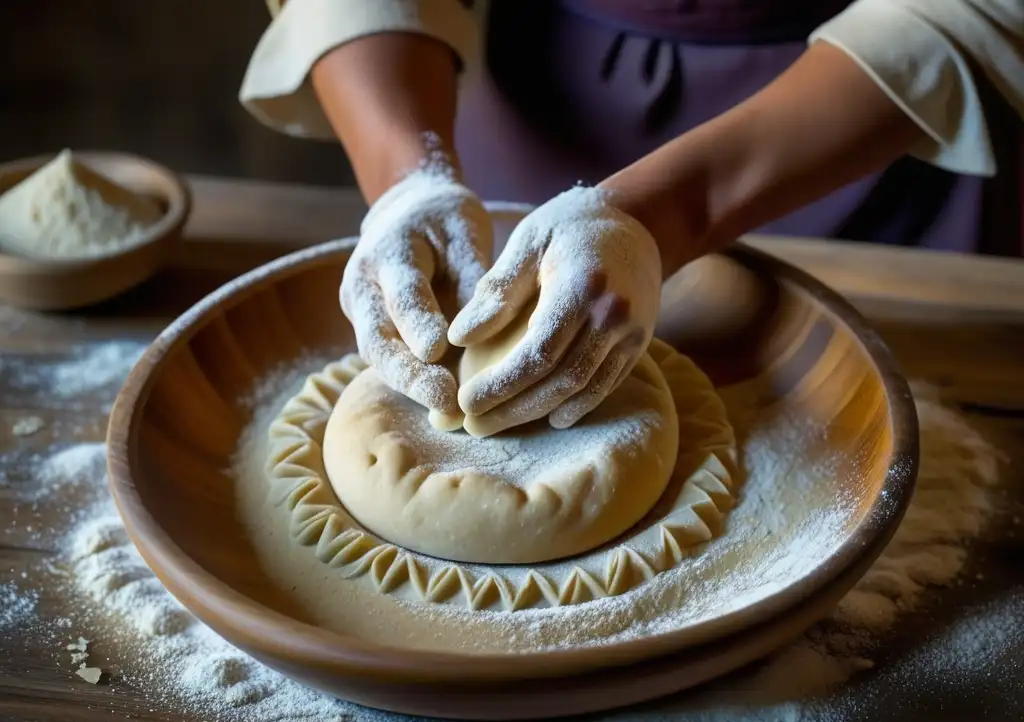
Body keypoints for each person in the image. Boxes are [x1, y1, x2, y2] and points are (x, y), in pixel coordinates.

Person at [239, 0, 1024, 435]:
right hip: (530, 106)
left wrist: (663, 213)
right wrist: (410, 182)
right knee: (504, 317)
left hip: (860, 132)